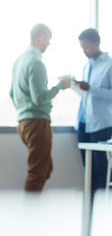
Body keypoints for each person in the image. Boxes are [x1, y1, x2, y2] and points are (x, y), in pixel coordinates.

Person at [10, 23, 69, 191]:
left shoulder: (19, 61)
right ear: (41, 38)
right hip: (37, 123)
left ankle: (33, 210)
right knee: (37, 173)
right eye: (49, 40)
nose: (49, 44)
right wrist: (59, 86)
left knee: (45, 169)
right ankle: (30, 215)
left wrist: (23, 112)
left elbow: (11, 93)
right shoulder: (36, 63)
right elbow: (39, 98)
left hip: (23, 123)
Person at [75, 28, 112, 197]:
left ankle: (105, 205)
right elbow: (87, 94)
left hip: (101, 124)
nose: (84, 52)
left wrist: (91, 89)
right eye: (82, 48)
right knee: (88, 168)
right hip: (83, 123)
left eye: (86, 47)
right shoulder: (87, 65)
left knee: (101, 166)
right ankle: (92, 205)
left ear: (96, 43)